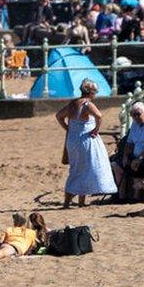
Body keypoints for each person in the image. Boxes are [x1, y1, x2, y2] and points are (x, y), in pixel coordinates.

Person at [56, 79, 116, 207]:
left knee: (76, 168)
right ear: (91, 93)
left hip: (73, 139)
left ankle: (75, 201)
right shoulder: (87, 104)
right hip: (85, 139)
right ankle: (75, 201)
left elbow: (59, 116)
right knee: (86, 168)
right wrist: (96, 129)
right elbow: (99, 116)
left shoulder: (73, 103)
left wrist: (68, 128)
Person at [112, 101, 144, 201]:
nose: (135, 117)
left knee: (135, 165)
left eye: (138, 114)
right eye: (133, 115)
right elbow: (129, 143)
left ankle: (136, 196)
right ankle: (121, 195)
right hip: (136, 155)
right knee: (116, 165)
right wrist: (125, 156)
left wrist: (140, 158)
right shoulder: (135, 124)